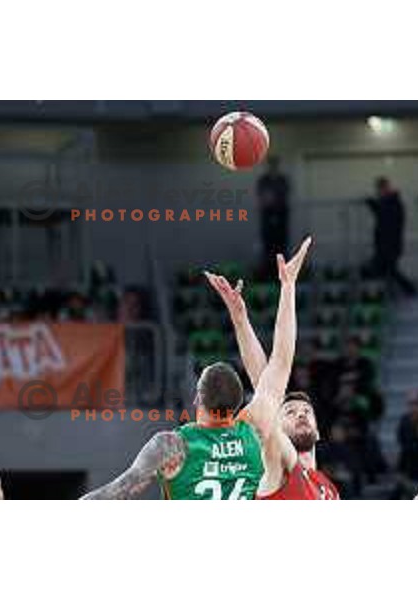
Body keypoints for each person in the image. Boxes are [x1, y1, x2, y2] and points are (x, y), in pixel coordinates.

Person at [81, 237, 311, 500]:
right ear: (239, 405)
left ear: (197, 398)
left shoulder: (172, 446)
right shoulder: (253, 430)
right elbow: (281, 363)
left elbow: (115, 493)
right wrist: (288, 286)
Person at [206, 247, 339, 500]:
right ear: (274, 425)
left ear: (319, 431)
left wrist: (241, 318)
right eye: (289, 412)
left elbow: (265, 382)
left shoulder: (328, 488)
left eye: (306, 412)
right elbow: (275, 372)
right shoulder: (280, 465)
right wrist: (288, 288)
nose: (301, 414)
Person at [366, 176, 418, 297]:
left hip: (390, 245)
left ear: (385, 188)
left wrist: (374, 204)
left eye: (380, 189)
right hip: (387, 245)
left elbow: (386, 219)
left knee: (388, 270)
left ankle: (409, 290)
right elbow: (382, 215)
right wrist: (374, 205)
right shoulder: (390, 202)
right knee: (387, 270)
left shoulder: (393, 203)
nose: (378, 192)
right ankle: (404, 291)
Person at [256, 156, 290, 271]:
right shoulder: (263, 180)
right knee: (268, 244)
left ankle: (281, 270)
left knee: (281, 243)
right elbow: (262, 196)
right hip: (267, 214)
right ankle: (267, 270)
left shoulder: (282, 180)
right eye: (271, 166)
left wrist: (275, 202)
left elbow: (284, 195)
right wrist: (268, 203)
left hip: (281, 214)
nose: (273, 168)